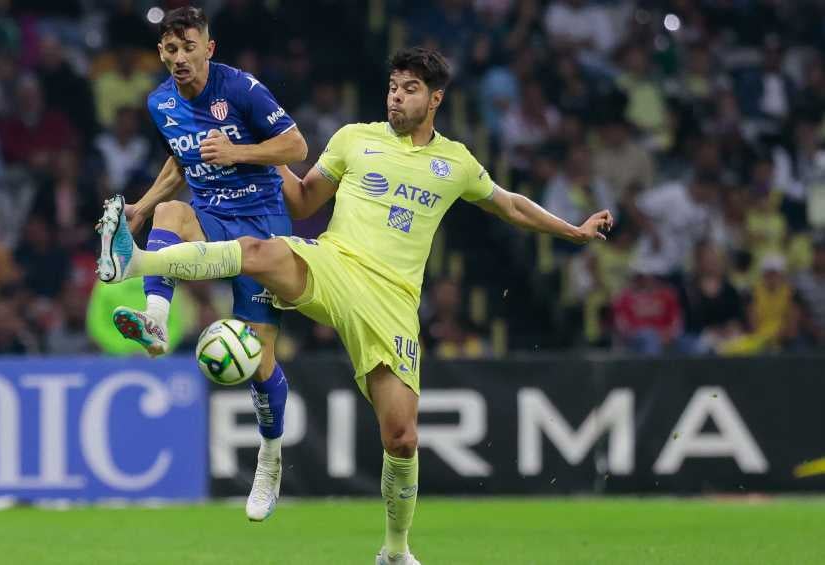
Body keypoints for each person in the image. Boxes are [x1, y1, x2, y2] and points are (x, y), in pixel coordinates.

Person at [97, 47, 612, 564]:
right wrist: (252, 146)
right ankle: (136, 261)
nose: (396, 96)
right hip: (334, 266)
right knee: (260, 253)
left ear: (435, 99)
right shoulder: (353, 139)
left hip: (392, 301)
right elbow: (301, 203)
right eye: (393, 86)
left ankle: (394, 550)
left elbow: (509, 204)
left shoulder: (455, 161)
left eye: (409, 89)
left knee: (402, 438)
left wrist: (573, 230)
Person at [106, 7, 307, 522]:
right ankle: (154, 321)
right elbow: (181, 160)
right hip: (211, 219)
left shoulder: (240, 88)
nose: (179, 58)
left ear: (207, 49)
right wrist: (142, 207)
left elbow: (296, 144)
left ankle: (270, 455)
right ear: (161, 54)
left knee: (261, 364)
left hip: (263, 229)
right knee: (172, 213)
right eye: (170, 50)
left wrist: (238, 152)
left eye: (188, 47)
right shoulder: (159, 102)